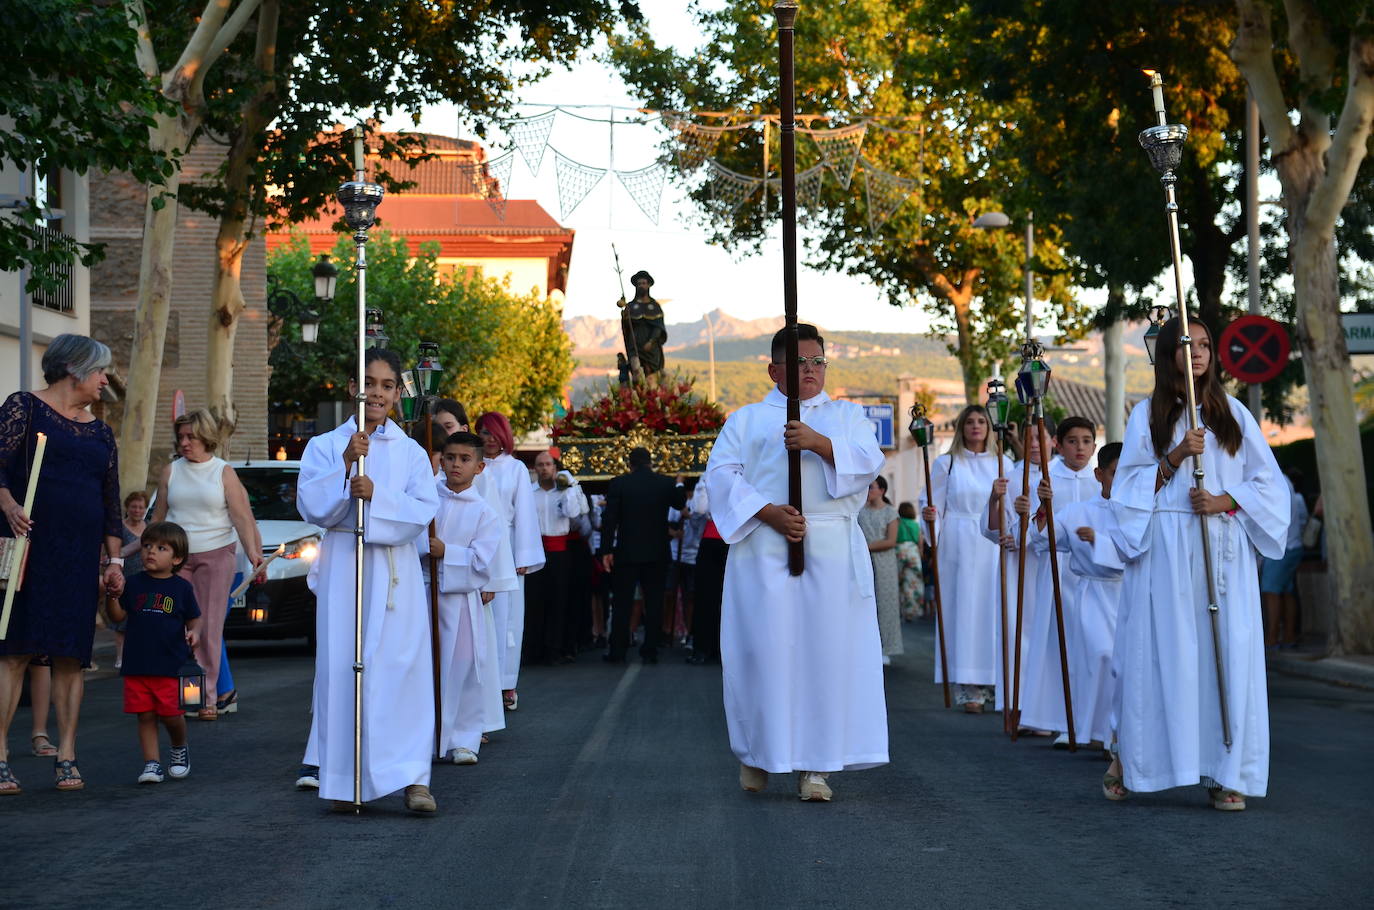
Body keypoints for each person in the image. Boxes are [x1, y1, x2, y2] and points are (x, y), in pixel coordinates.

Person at [1105, 317, 1288, 811]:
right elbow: (1125, 492)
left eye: (1206, 345)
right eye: (1189, 346)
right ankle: (1137, 758)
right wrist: (1174, 456)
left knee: (1227, 655)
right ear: (1169, 356)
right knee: (1167, 656)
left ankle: (1227, 772)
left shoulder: (1234, 415)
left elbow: (1271, 486)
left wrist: (1225, 499)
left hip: (1222, 549)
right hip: (1166, 550)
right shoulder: (1147, 416)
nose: (1200, 353)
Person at [704, 324, 887, 802]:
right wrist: (768, 513)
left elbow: (868, 460)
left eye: (816, 362)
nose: (809, 370)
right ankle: (758, 755)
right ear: (773, 369)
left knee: (824, 657)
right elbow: (721, 478)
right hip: (765, 546)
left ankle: (815, 767)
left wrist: (819, 443)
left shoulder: (845, 416)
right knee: (766, 652)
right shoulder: (744, 420)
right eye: (799, 362)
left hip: (829, 547)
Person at [297, 348, 440, 813]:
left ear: (398, 394)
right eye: (368, 383)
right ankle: (345, 779)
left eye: (385, 385)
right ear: (351, 388)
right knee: (344, 669)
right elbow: (312, 506)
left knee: (401, 672)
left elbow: (421, 512)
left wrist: (378, 497)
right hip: (345, 570)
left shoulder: (414, 453)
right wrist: (344, 465)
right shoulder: (324, 446)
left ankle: (413, 778)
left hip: (394, 572)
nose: (375, 393)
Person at [0, 334, 125, 795]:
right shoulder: (24, 408)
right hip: (30, 549)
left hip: (78, 555)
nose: (105, 379)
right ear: (75, 369)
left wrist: (112, 559)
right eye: (100, 370)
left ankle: (67, 755)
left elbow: (110, 500)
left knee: (73, 655)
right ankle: (0, 757)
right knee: (16, 652)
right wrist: (8, 502)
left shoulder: (99, 430)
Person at [152, 409, 262, 720]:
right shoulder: (170, 471)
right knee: (175, 627)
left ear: (206, 438)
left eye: (191, 437)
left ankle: (208, 698)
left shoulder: (222, 472)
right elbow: (158, 520)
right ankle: (182, 693)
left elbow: (241, 517)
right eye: (181, 437)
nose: (184, 442)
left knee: (209, 629)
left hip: (216, 555)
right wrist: (136, 551)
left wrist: (254, 553)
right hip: (177, 558)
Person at [1034, 443, 1125, 750]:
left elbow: (1137, 551)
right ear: (1099, 475)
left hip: (1128, 595)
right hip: (1093, 596)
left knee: (1125, 664)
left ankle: (1118, 733)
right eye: (1115, 473)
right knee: (1099, 657)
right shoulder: (1078, 511)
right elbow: (1047, 540)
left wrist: (1100, 540)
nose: (1122, 480)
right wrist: (1043, 509)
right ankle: (1093, 729)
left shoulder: (1140, 513)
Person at [422, 432, 504, 765]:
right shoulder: (425, 499)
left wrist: (447, 553)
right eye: (450, 457)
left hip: (460, 601)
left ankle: (463, 738)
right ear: (440, 460)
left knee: (464, 667)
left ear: (480, 467)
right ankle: (424, 738)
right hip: (424, 594)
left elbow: (483, 561)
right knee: (422, 668)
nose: (456, 464)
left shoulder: (485, 513)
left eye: (465, 459)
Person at [923, 404, 1011, 713]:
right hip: (958, 542)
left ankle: (998, 683)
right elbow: (932, 502)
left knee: (993, 609)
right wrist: (929, 517)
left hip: (992, 543)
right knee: (963, 612)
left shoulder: (1004, 463)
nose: (976, 426)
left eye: (981, 421)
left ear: (990, 427)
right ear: (961, 427)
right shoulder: (947, 463)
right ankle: (969, 687)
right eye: (970, 422)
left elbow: (1011, 506)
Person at [1017, 416, 1098, 746]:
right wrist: (1041, 507)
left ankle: (1094, 721)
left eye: (1086, 441)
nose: (1080, 448)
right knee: (1060, 645)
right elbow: (1036, 539)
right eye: (1072, 441)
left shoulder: (1102, 481)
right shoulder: (1049, 480)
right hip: (1059, 572)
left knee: (1093, 646)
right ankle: (1061, 718)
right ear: (1058, 445)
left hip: (1096, 573)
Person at [105, 521, 202, 784]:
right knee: (145, 715)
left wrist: (195, 632)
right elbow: (118, 616)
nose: (150, 552)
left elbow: (194, 618)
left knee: (172, 715)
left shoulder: (181, 588)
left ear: (177, 558)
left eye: (161, 548)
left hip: (171, 664)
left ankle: (179, 747)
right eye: (147, 546)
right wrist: (112, 596)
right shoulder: (134, 584)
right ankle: (151, 763)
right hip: (137, 663)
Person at [473, 412, 543, 711]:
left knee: (508, 621)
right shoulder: (471, 465)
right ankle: (479, 684)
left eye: (494, 433)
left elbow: (525, 512)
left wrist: (523, 555)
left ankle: (506, 683)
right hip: (475, 545)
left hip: (508, 547)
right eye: (483, 432)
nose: (489, 439)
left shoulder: (514, 469)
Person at [600, 448, 686, 664]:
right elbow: (679, 502)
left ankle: (617, 651)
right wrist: (680, 481)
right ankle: (650, 650)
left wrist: (606, 550)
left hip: (627, 552)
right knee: (654, 602)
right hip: (657, 552)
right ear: (650, 462)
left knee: (622, 603)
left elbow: (610, 519)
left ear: (631, 464)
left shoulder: (619, 483)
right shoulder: (665, 483)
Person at [526, 451, 587, 664]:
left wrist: (569, 487)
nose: (544, 468)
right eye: (539, 465)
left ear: (555, 467)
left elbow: (573, 513)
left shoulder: (563, 491)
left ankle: (556, 648)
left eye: (547, 464)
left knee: (559, 601)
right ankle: (534, 649)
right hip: (535, 551)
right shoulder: (529, 492)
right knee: (534, 601)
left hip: (559, 552)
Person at [1261, 467, 1308, 649]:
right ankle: (1288, 636)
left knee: (1271, 592)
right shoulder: (1285, 481)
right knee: (1287, 592)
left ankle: (1272, 639)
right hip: (1292, 545)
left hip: (1281, 547)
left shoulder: (1273, 480)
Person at [858, 476, 901, 664]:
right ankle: (864, 645)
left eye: (871, 487)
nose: (868, 491)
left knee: (886, 603)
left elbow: (891, 541)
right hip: (862, 560)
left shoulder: (891, 512)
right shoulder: (859, 511)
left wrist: (865, 547)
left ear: (882, 490)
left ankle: (886, 647)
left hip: (885, 562)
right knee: (863, 601)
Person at [686, 482, 726, 665]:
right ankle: (722, 648)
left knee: (705, 597)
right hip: (735, 538)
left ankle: (702, 648)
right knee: (728, 598)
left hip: (712, 537)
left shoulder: (707, 476)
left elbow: (700, 508)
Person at [112, 489, 150, 669]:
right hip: (124, 577)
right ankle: (120, 657)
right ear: (127, 507)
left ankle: (140, 653)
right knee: (122, 621)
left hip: (144, 578)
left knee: (142, 618)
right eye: (134, 507)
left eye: (141, 507)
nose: (137, 510)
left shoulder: (150, 528)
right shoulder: (119, 528)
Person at [619, 270, 667, 378]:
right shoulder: (630, 306)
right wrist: (624, 316)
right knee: (637, 372)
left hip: (651, 349)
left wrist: (651, 342)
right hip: (635, 346)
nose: (641, 286)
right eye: (639, 284)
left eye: (643, 283)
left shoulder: (655, 306)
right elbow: (627, 327)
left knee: (652, 375)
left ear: (648, 285)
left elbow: (658, 328)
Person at [895, 502, 923, 621]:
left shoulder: (898, 523)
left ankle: (900, 611)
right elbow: (920, 541)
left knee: (899, 582)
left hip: (899, 550)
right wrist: (920, 553)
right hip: (913, 552)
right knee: (914, 582)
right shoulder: (916, 525)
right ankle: (913, 611)